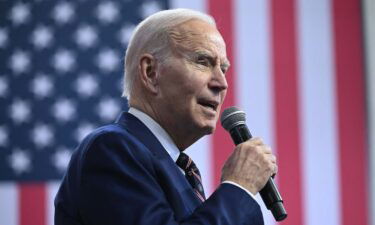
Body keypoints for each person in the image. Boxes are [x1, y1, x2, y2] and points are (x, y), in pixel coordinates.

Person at [54, 8, 277, 225]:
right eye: (203, 61)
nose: (222, 83)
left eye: (223, 69)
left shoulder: (177, 169)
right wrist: (239, 187)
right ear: (150, 72)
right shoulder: (112, 148)